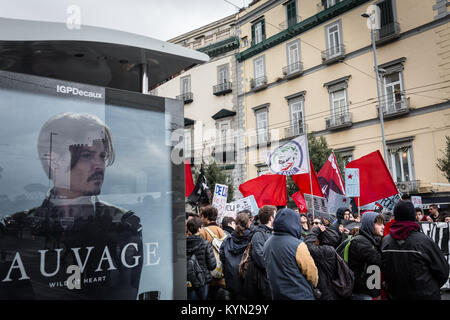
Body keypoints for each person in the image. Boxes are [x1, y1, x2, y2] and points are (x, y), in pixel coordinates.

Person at [0, 113, 143, 300]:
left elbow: (126, 292)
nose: (99, 165)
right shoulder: (15, 228)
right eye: (86, 155)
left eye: (102, 156)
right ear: (53, 161)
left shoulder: (124, 225)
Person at [381, 200, 449, 300]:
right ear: (412, 216)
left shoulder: (385, 242)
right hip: (425, 294)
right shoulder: (424, 241)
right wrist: (430, 287)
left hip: (397, 295)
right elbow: (443, 270)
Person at [263, 208, 318, 300]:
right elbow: (312, 274)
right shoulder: (298, 245)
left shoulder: (267, 243)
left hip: (277, 294)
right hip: (301, 295)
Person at [347, 211, 385, 300]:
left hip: (367, 290)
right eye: (379, 224)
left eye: (383, 224)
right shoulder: (361, 242)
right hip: (361, 292)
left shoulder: (370, 240)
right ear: (369, 225)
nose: (383, 227)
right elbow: (379, 262)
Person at [242, 205, 276, 300]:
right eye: (275, 215)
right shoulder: (258, 235)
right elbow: (261, 260)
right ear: (270, 218)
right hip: (263, 282)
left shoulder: (272, 232)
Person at [219, 212, 254, 300]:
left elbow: (222, 257)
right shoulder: (253, 238)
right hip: (247, 279)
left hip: (231, 278)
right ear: (248, 223)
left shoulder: (227, 239)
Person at [198, 205, 227, 299]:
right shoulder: (222, 231)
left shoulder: (203, 232)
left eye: (202, 216)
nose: (201, 219)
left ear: (206, 217)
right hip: (221, 273)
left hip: (208, 275)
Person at [186, 217, 216, 300]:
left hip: (188, 280)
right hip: (203, 279)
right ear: (199, 229)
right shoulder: (205, 244)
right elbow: (212, 265)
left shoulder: (182, 244)